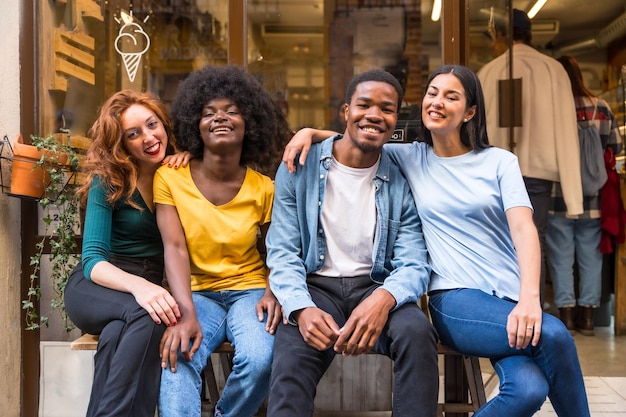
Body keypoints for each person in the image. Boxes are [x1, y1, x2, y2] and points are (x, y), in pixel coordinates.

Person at [285, 65, 591, 416]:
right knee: (553, 335)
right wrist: (308, 132)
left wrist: (530, 299)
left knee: (528, 389)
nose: (437, 102)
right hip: (456, 298)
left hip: (509, 296)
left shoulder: (499, 162)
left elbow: (525, 230)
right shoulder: (410, 157)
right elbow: (360, 134)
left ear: (470, 111)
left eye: (451, 96)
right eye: (432, 93)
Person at [265, 68, 439, 417]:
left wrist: (383, 300)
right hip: (316, 289)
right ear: (346, 111)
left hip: (375, 286)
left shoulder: (400, 175)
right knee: (290, 361)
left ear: (395, 119)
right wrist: (299, 307)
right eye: (364, 104)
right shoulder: (299, 165)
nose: (375, 115)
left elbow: (415, 261)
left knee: (417, 334)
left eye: (387, 109)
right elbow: (282, 251)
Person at [154, 65, 291, 417]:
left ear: (250, 124)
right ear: (195, 126)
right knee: (178, 354)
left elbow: (280, 248)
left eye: (232, 111)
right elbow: (175, 247)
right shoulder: (171, 176)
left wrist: (273, 290)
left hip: (250, 291)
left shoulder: (264, 188)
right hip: (195, 293)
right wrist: (184, 313)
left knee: (261, 357)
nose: (221, 118)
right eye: (209, 113)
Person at [63, 90, 190, 417]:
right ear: (122, 143)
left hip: (142, 293)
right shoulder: (109, 180)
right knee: (150, 313)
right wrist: (141, 286)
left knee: (117, 337)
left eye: (152, 125)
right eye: (134, 134)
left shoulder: (181, 174)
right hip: (99, 286)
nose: (149, 137)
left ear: (164, 124)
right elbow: (92, 260)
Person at [477, 9, 583, 303]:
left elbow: (478, 130)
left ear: (500, 35)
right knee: (534, 239)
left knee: (498, 241)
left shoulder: (489, 72)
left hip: (494, 170)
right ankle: (531, 305)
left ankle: (504, 307)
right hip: (539, 172)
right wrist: (572, 194)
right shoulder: (552, 69)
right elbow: (566, 127)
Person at [546, 55, 623, 336]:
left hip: (557, 195)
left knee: (561, 258)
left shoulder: (552, 108)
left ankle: (566, 317)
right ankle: (588, 319)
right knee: (591, 258)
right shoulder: (600, 106)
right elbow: (616, 143)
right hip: (593, 195)